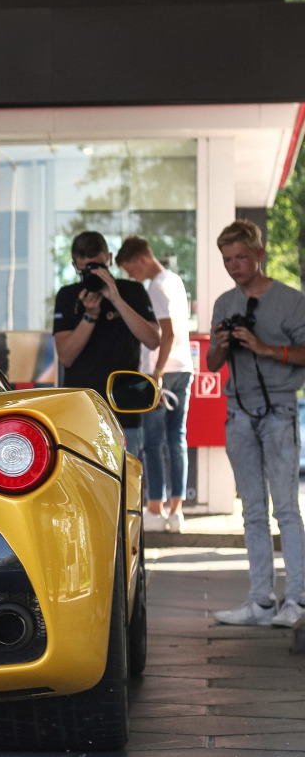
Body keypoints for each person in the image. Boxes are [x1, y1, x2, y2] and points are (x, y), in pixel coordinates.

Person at [207, 220, 305, 627]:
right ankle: (260, 600)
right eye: (227, 259)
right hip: (238, 414)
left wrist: (265, 348)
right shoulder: (224, 303)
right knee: (251, 510)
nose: (234, 266)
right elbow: (212, 364)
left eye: (241, 257)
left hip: (279, 411)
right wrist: (223, 344)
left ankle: (296, 600)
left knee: (285, 508)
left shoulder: (290, 301)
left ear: (259, 255)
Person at [52, 231, 160, 459]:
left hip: (124, 408)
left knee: (126, 483)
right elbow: (65, 357)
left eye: (98, 268)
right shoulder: (68, 296)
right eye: (87, 270)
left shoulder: (132, 291)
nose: (93, 276)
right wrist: (90, 316)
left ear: (109, 259)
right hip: (81, 411)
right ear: (75, 266)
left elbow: (152, 339)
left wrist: (116, 299)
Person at [116, 236, 194, 534]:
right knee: (176, 438)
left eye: (131, 270)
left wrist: (156, 372)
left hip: (161, 372)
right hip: (183, 367)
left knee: (152, 441)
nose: (131, 277)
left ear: (142, 260)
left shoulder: (155, 287)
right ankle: (176, 511)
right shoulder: (174, 280)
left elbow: (168, 333)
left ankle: (154, 507)